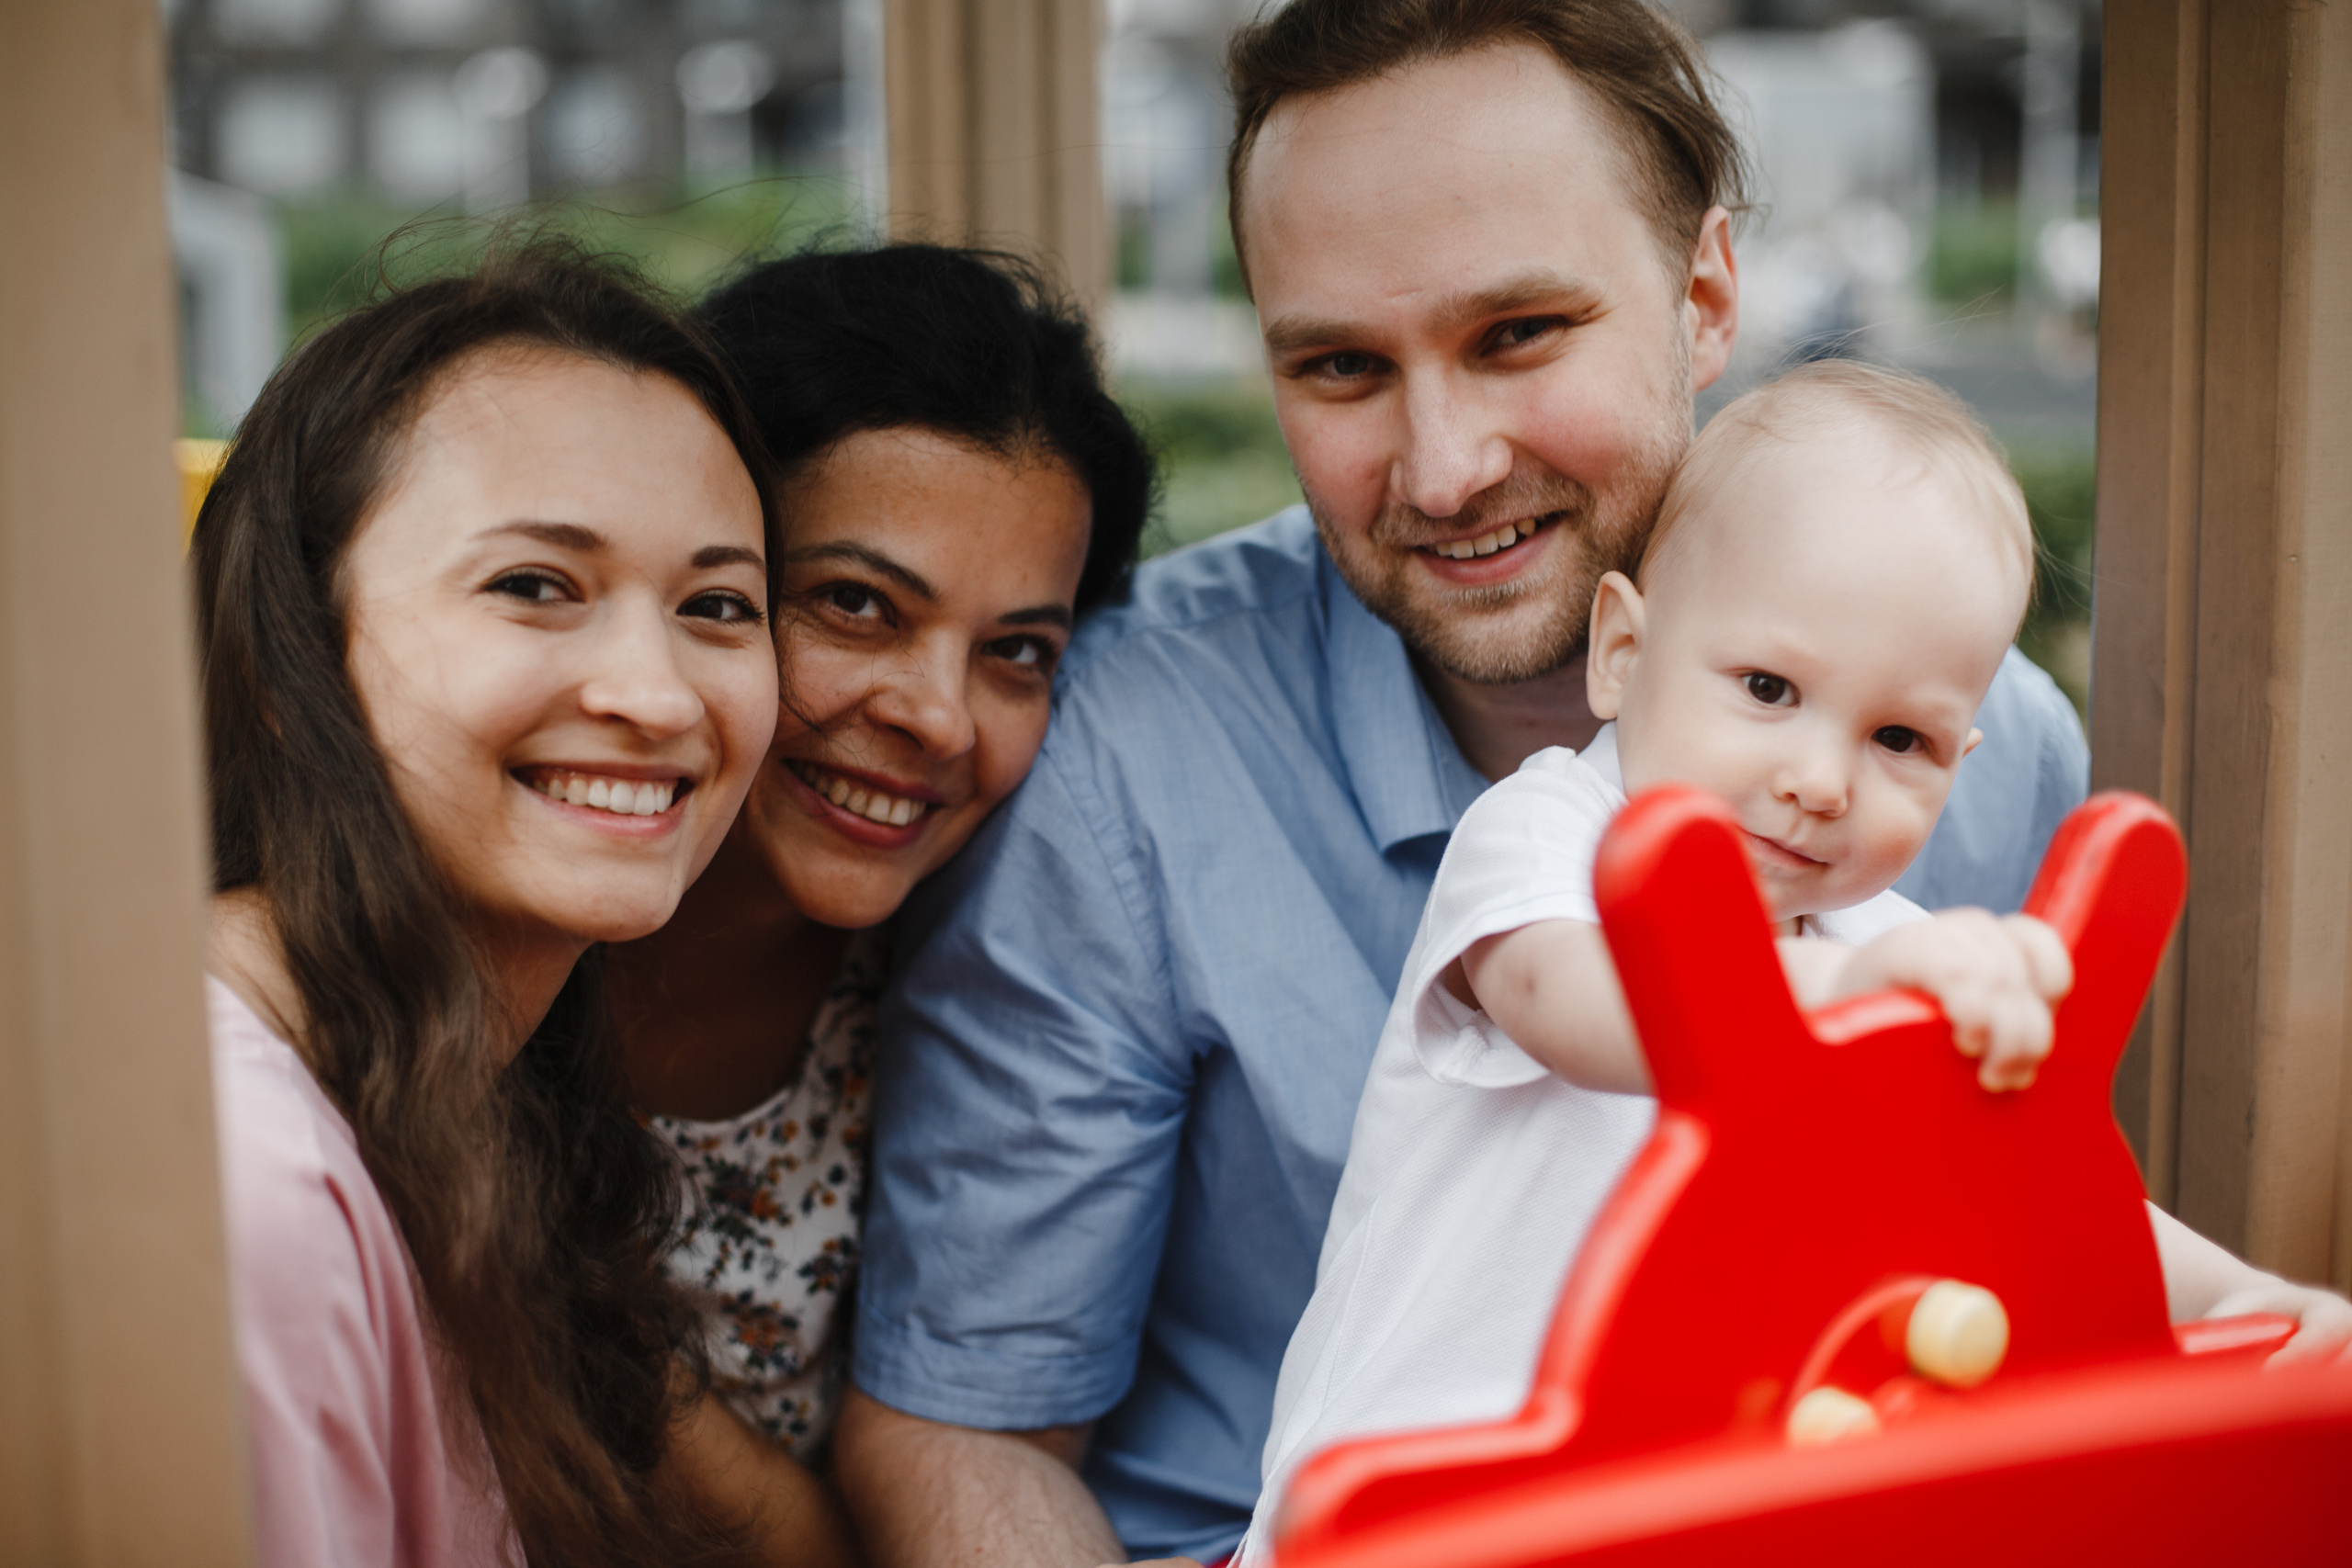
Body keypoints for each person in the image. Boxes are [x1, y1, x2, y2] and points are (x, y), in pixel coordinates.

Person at [837, 6, 2090, 1565]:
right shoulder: (1127, 753)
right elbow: (968, 1424)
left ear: (1703, 299)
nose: (1441, 471)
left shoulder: (1989, 750)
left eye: (1518, 335)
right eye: (1343, 366)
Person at [1230, 360, 2352, 1566]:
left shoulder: (1887, 950)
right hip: (1405, 1509)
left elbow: (2024, 1190)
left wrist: (2235, 1293)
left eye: (1898, 738)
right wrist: (1845, 1008)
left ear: (1961, 762)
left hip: (1662, 1515)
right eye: (1768, 688)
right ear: (1622, 651)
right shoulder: (1549, 834)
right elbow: (1567, 997)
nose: (1821, 781)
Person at [195, 243, 784, 1566]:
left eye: (720, 605)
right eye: (536, 587)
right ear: (295, 652)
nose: (662, 695)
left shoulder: (458, 1093)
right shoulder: (247, 1176)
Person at [605, 244, 1154, 1564]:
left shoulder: (992, 978)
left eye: (1017, 652)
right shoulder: (496, 945)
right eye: (856, 604)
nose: (936, 717)